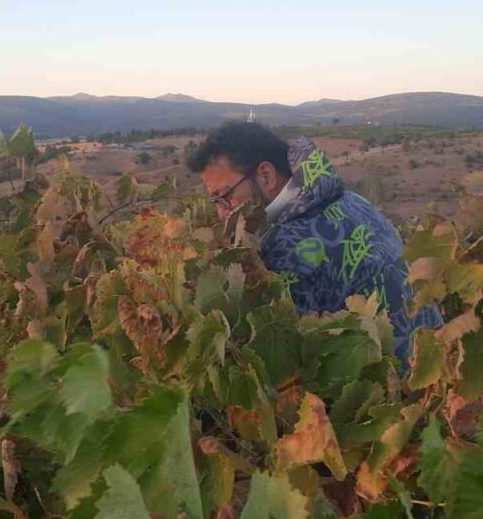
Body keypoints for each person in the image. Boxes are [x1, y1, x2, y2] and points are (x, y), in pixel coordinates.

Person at [187, 122, 441, 362]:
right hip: (437, 364)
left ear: (266, 175)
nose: (221, 213)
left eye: (224, 197)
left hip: (398, 392)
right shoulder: (349, 200)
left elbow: (285, 359)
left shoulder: (286, 249)